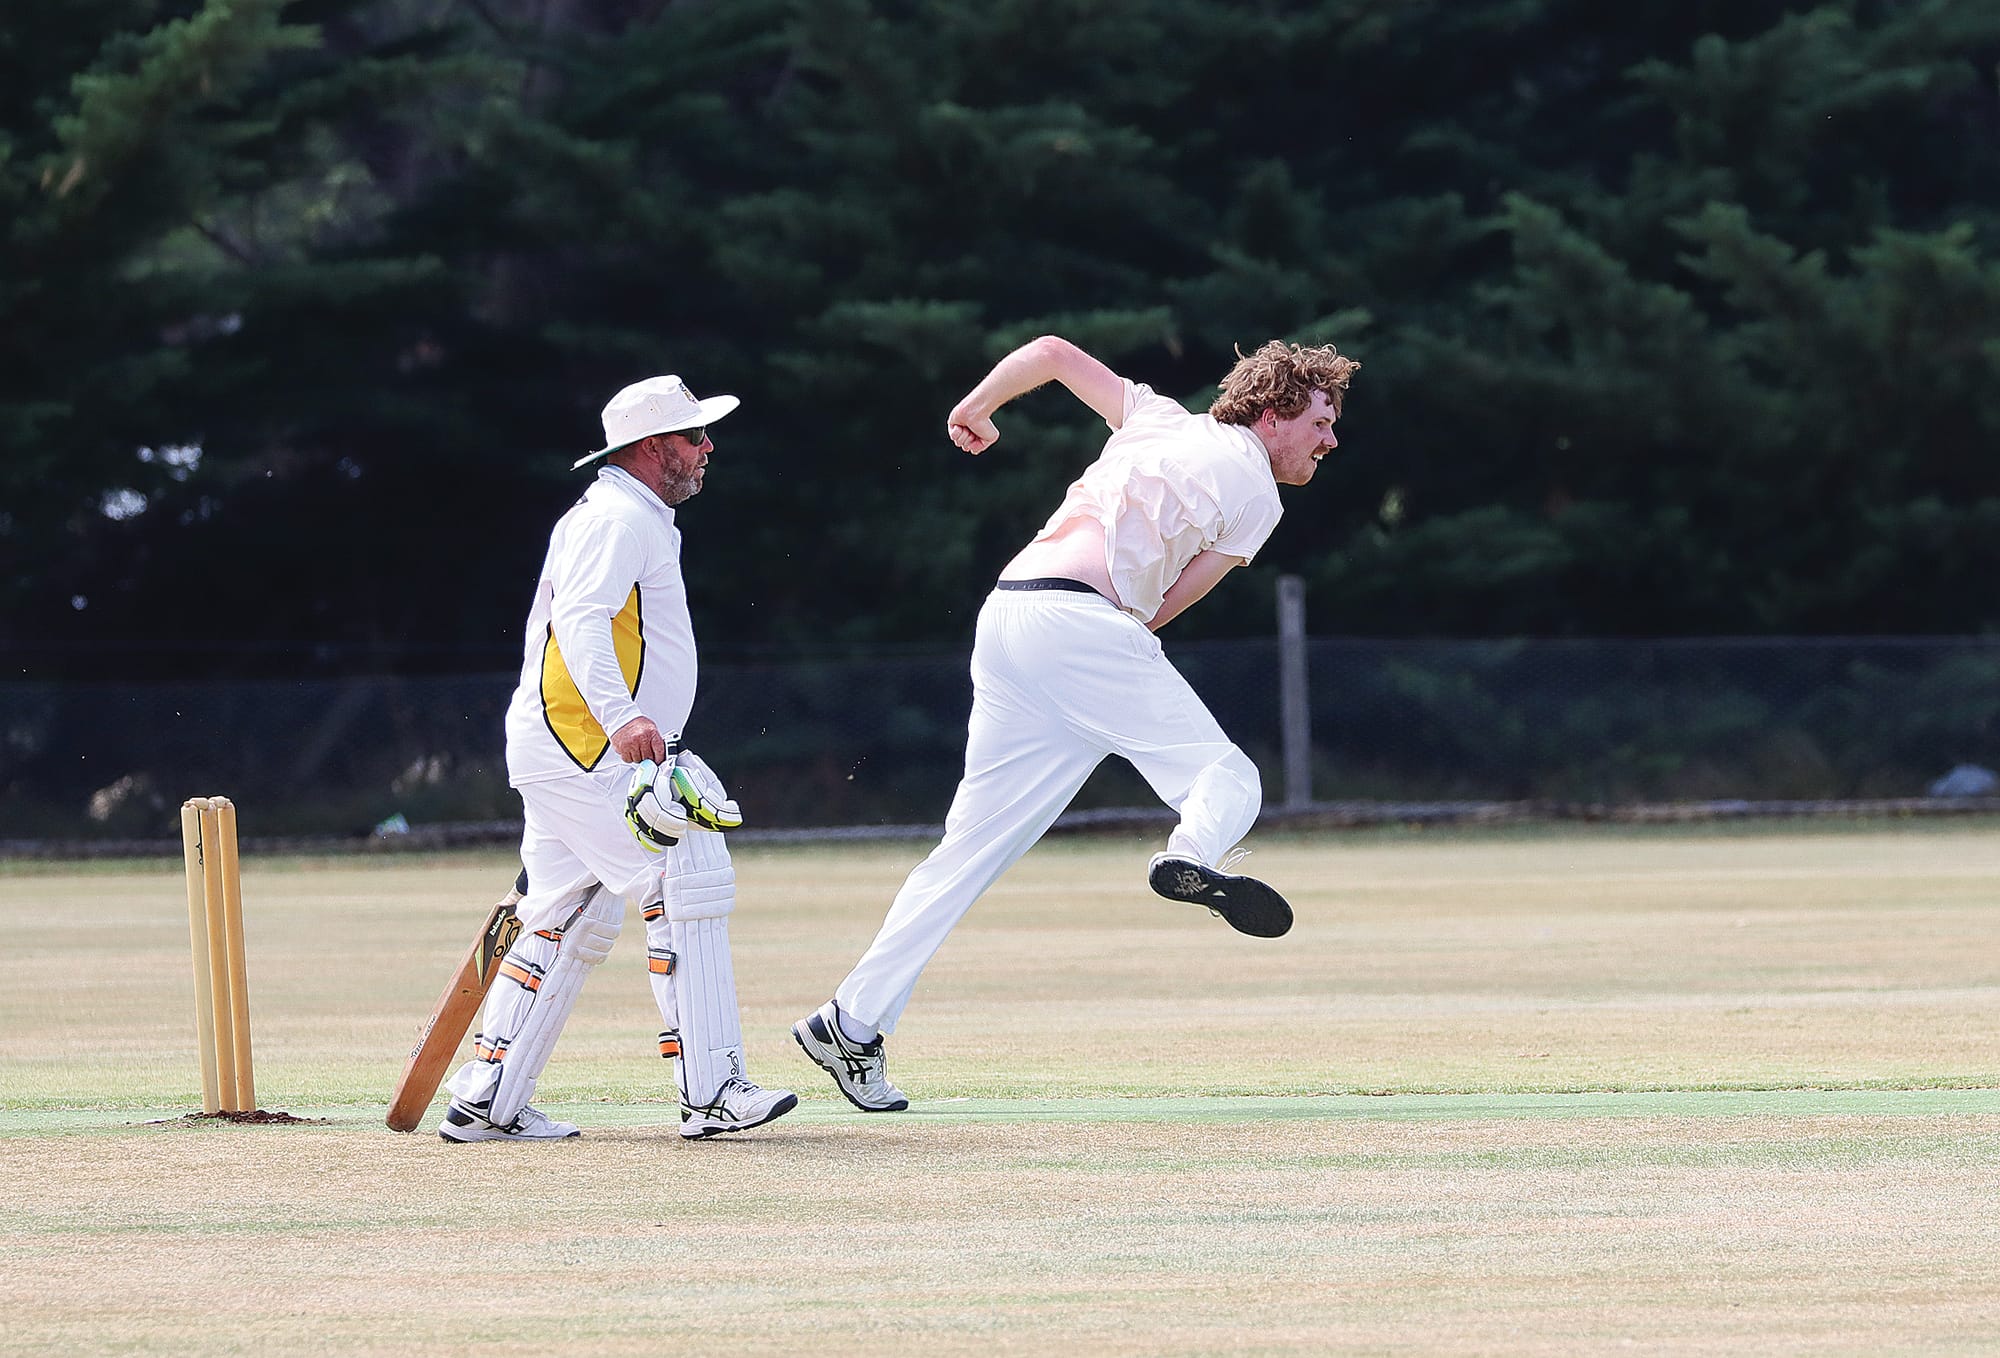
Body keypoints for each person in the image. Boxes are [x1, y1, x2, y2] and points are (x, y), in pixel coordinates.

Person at [792, 335, 1357, 1112]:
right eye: (1321, 422)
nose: (1331, 441)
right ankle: (1188, 856)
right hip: (1083, 626)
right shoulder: (1260, 495)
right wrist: (1113, 665)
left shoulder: (1155, 415)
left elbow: (1054, 352)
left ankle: (849, 1024)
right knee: (1228, 777)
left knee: (966, 854)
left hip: (1008, 616)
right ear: (1272, 414)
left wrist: (976, 406)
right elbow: (1165, 607)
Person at [437, 375, 796, 1142]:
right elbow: (581, 619)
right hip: (583, 741)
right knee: (683, 878)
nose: (708, 447)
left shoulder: (631, 515)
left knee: (568, 913)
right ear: (652, 446)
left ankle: (489, 1096)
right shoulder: (615, 517)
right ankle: (713, 1088)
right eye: (693, 436)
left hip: (567, 742)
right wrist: (622, 716)